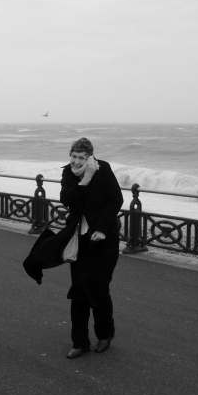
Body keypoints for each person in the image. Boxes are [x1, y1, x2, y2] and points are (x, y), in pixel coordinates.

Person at [60, 137, 123, 359]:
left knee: (98, 288)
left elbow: (116, 200)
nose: (76, 161)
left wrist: (103, 228)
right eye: (74, 156)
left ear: (90, 157)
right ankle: (79, 342)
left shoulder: (103, 169)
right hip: (79, 239)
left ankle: (105, 334)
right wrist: (84, 179)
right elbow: (67, 200)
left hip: (104, 240)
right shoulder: (69, 173)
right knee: (78, 290)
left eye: (81, 158)